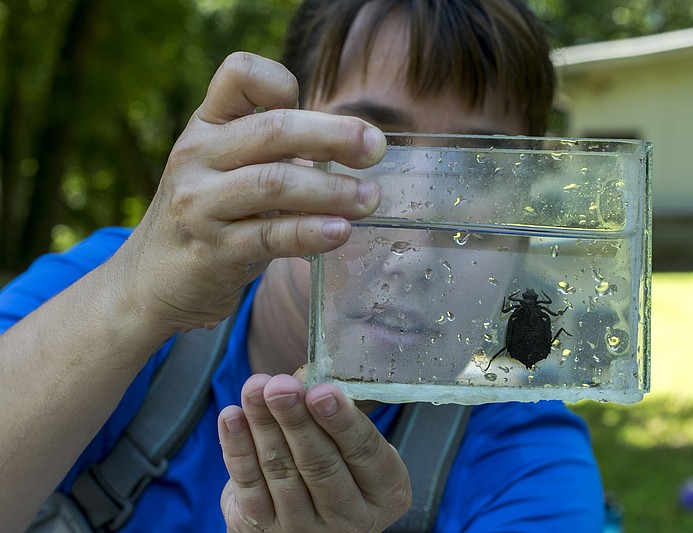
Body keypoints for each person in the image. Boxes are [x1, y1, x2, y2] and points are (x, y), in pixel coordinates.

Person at [0, 0, 605, 531]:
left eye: (479, 169)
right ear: (278, 149)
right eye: (369, 145)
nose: (419, 241)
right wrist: (131, 299)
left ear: (524, 233)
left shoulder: (529, 464)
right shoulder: (112, 282)